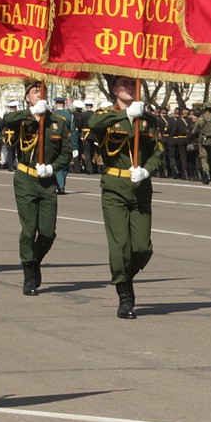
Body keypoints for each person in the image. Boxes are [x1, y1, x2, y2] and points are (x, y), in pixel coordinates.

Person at [89, 77, 163, 318]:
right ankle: (124, 295)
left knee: (142, 247)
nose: (129, 88)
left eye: (133, 85)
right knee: (120, 244)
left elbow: (157, 154)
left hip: (140, 186)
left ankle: (125, 275)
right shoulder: (106, 115)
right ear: (114, 90)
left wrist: (146, 170)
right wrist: (125, 115)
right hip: (114, 187)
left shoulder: (148, 120)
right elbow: (94, 122)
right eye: (124, 85)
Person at [1, 81, 73, 295]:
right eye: (34, 92)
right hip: (25, 178)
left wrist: (53, 168)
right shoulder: (22, 119)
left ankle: (34, 261)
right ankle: (28, 275)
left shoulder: (57, 122)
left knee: (48, 233)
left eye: (42, 91)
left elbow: (66, 152)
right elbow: (6, 120)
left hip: (47, 181)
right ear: (27, 98)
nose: (39, 94)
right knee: (29, 229)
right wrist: (31, 113)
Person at [51, 96, 79, 194]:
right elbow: (73, 132)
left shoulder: (52, 115)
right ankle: (62, 184)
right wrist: (75, 147)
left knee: (57, 163)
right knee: (65, 165)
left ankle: (60, 186)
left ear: (56, 104)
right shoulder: (69, 116)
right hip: (67, 142)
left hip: (54, 142)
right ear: (64, 104)